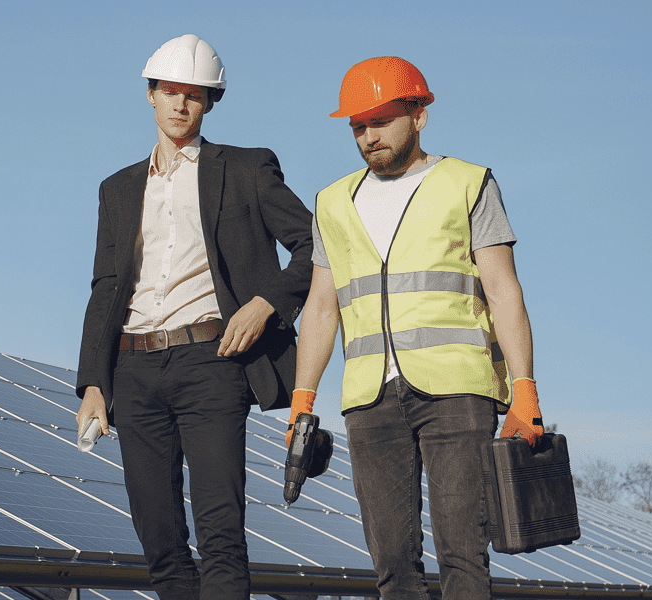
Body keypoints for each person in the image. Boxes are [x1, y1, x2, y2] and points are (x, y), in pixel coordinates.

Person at [74, 34, 314, 600]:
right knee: (158, 539)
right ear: (151, 96)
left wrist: (267, 304)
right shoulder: (118, 188)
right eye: (171, 92)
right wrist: (92, 382)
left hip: (212, 362)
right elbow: (105, 287)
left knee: (221, 535)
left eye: (195, 95)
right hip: (133, 371)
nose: (181, 105)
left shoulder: (249, 169)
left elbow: (315, 245)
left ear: (209, 104)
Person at [292, 56, 540, 600]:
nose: (368, 136)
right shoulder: (331, 202)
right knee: (393, 569)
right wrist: (302, 400)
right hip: (368, 397)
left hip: (457, 391)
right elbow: (319, 308)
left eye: (380, 120)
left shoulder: (467, 183)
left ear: (419, 114)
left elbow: (503, 290)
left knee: (463, 557)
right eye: (358, 126)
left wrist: (524, 389)